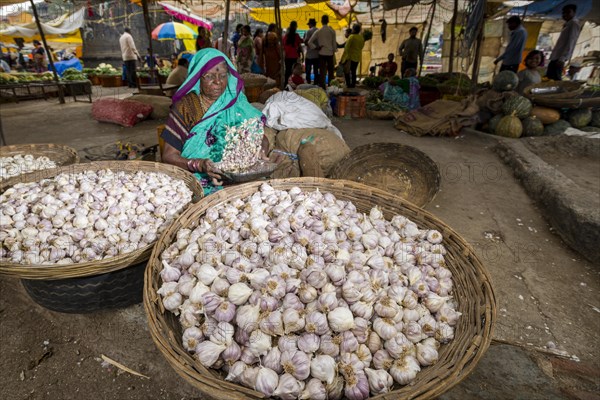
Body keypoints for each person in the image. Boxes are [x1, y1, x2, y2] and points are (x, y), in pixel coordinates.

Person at [161, 48, 270, 195]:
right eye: (209, 76)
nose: (217, 81)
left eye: (223, 76)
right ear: (198, 77)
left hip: (239, 176)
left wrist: (260, 150)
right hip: (198, 179)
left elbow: (260, 137)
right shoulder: (187, 107)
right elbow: (168, 155)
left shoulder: (236, 104)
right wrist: (199, 164)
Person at [546, 4, 582, 81]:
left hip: (559, 58)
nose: (565, 15)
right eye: (563, 13)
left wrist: (562, 58)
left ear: (574, 13)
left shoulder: (574, 23)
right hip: (556, 56)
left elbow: (571, 42)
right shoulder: (567, 24)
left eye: (568, 12)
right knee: (550, 78)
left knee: (554, 79)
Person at [308, 15, 337, 89]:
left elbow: (309, 42)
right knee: (331, 71)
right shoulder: (332, 31)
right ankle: (331, 86)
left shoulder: (319, 31)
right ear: (328, 21)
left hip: (321, 53)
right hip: (330, 53)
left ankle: (322, 86)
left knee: (322, 71)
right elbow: (334, 44)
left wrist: (316, 47)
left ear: (321, 21)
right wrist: (334, 50)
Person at [340, 24, 365, 88]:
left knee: (347, 71)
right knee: (353, 71)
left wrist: (345, 57)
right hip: (357, 57)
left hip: (350, 57)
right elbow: (361, 47)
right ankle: (353, 84)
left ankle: (348, 84)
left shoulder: (352, 37)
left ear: (354, 29)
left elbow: (346, 47)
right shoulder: (361, 38)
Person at [304, 18, 319, 85]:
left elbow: (306, 42)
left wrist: (305, 42)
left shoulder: (309, 31)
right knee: (316, 70)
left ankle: (308, 82)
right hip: (317, 55)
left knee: (308, 70)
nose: (308, 26)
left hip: (309, 55)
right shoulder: (319, 31)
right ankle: (316, 82)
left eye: (309, 24)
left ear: (310, 24)